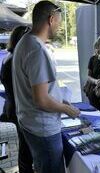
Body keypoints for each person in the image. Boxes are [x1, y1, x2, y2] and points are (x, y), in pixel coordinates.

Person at [12, 1, 80, 173]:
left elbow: (39, 88)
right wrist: (67, 109)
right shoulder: (37, 50)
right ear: (51, 20)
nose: (59, 26)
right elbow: (41, 100)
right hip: (43, 128)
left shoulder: (24, 41)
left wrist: (59, 97)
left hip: (30, 122)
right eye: (58, 21)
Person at [0, 26, 34, 173]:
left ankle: (25, 169)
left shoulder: (10, 56)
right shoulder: (14, 60)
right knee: (26, 147)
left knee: (24, 144)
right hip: (18, 108)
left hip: (12, 105)